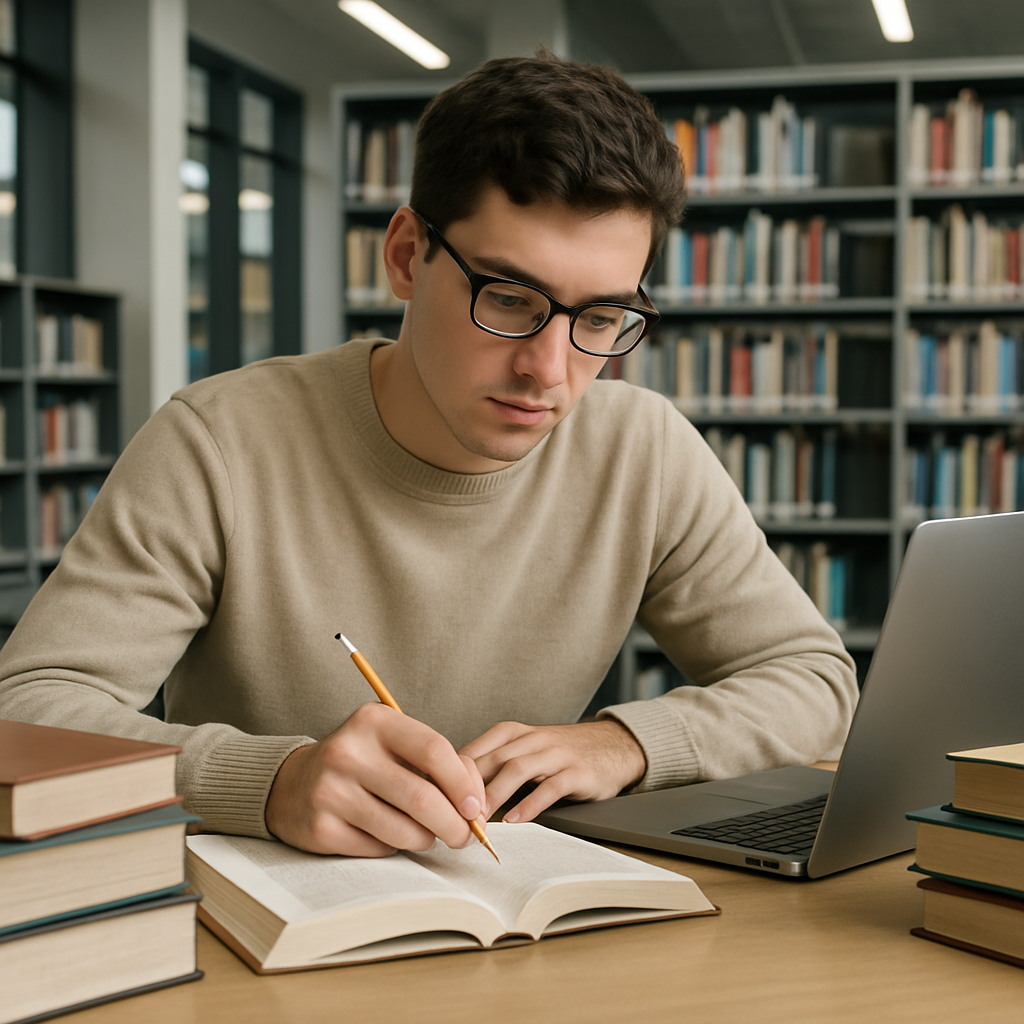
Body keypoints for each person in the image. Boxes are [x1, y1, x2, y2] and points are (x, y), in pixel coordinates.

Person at [0, 54, 857, 859]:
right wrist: (268, 782)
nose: (548, 370)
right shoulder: (218, 440)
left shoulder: (646, 449)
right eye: (511, 299)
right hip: (264, 930)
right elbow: (26, 716)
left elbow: (815, 681)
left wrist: (630, 742)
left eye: (600, 318)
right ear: (408, 256)